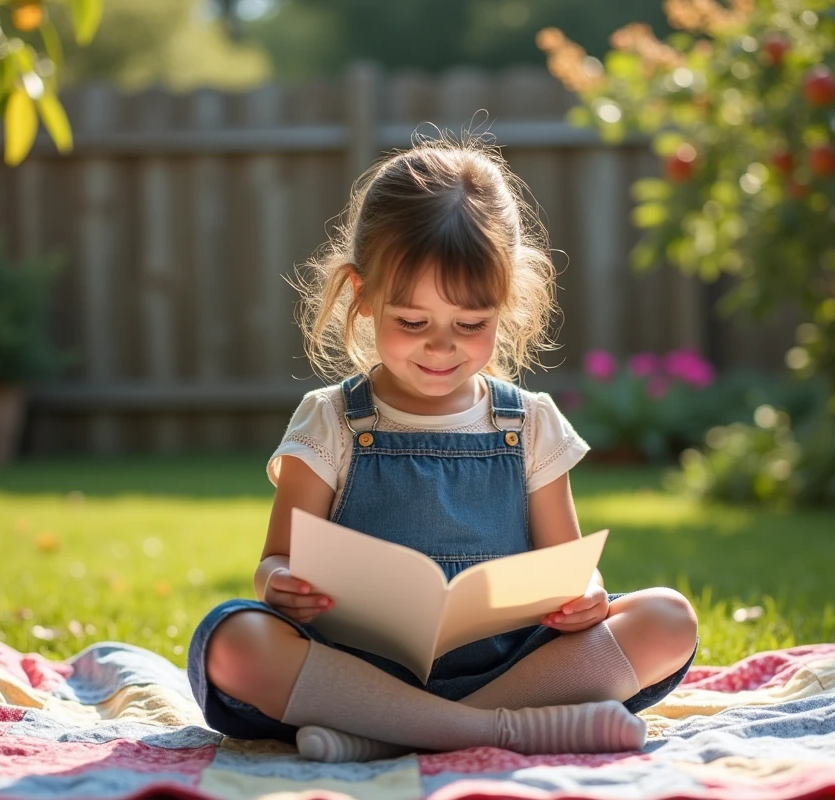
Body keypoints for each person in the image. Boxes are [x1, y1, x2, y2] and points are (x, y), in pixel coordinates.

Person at [187, 136, 698, 763]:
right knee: (233, 641)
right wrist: (280, 584)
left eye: (470, 324)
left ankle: (395, 734)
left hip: (513, 670)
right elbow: (275, 562)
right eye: (412, 322)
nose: (440, 346)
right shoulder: (331, 420)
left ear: (506, 300)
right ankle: (498, 730)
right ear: (362, 294)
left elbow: (569, 568)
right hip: (354, 673)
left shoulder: (530, 423)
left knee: (667, 618)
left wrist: (587, 594)